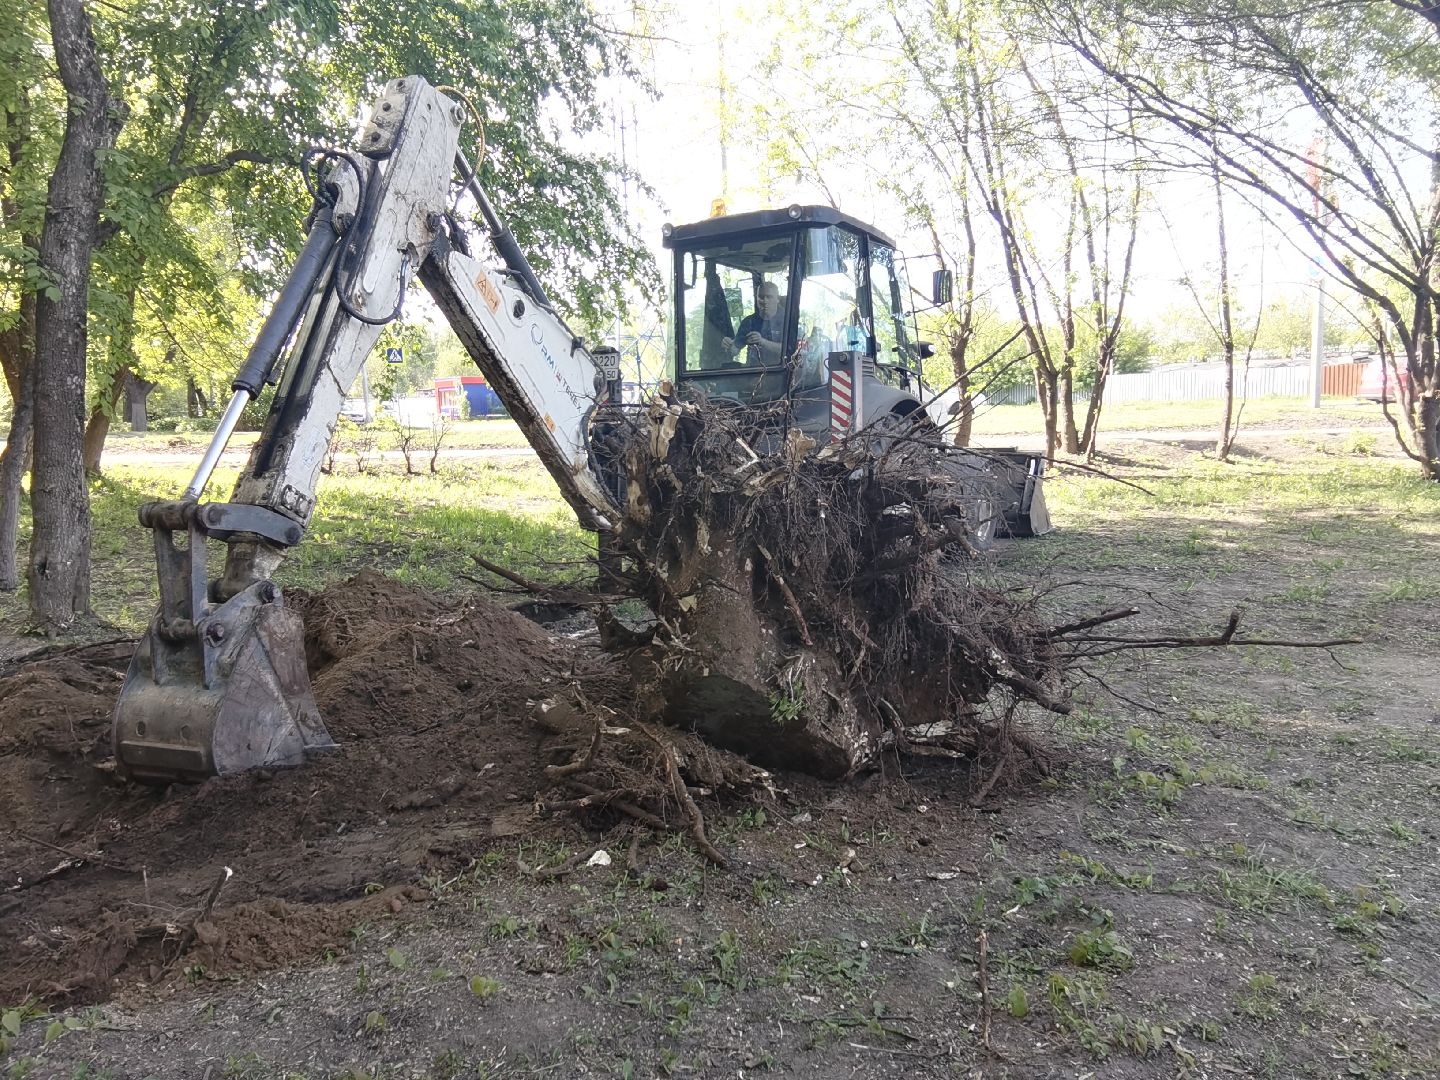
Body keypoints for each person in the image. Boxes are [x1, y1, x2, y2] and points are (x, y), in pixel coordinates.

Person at [722, 281, 784, 364]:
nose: (765, 301)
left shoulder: (787, 321)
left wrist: (762, 342)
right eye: (761, 297)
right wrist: (728, 345)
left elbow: (791, 350)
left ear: (778, 299)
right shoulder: (749, 322)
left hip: (780, 371)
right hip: (753, 372)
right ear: (756, 298)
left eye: (769, 297)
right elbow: (734, 350)